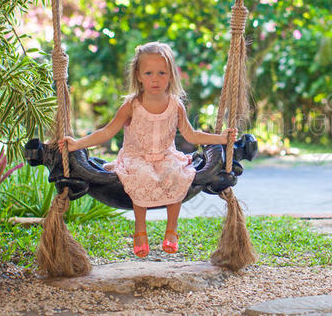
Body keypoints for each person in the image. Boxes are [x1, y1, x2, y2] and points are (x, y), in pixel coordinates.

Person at [59, 42, 236, 258]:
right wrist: (76, 144)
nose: (155, 78)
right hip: (136, 158)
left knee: (177, 174)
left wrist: (221, 138)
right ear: (139, 75)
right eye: (149, 73)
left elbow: (191, 135)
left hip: (166, 157)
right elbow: (106, 132)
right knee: (141, 175)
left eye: (162, 73)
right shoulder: (131, 105)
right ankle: (140, 231)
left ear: (171, 75)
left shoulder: (175, 105)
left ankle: (171, 230)